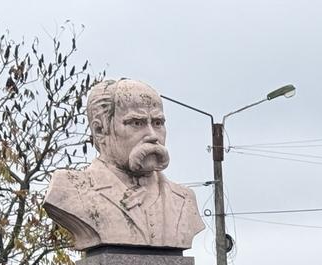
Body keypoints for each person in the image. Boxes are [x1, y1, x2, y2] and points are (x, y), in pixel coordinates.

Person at [44, 78, 205, 251]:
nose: (152, 135)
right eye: (137, 123)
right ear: (100, 130)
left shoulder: (184, 199)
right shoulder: (71, 189)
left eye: (158, 123)